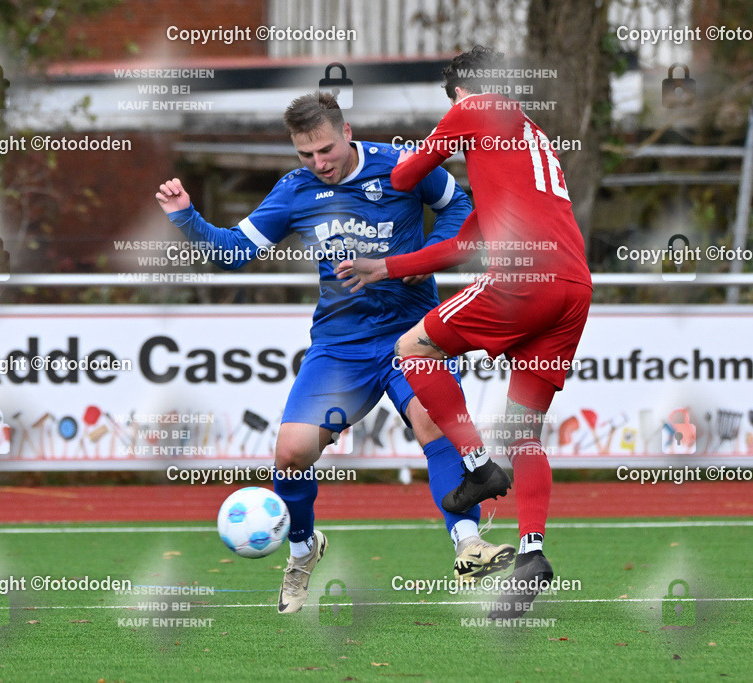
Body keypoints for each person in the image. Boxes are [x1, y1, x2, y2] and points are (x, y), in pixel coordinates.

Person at [155, 92, 514, 614]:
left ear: (347, 132)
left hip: (414, 333)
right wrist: (187, 217)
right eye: (306, 155)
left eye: (325, 149)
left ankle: (468, 545)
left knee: (435, 424)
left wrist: (426, 257)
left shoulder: (403, 166)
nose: (318, 163)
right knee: (291, 453)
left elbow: (459, 205)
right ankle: (302, 550)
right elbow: (235, 253)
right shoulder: (295, 191)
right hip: (342, 345)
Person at [336, 47, 592, 618]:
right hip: (574, 287)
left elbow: (405, 174)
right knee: (524, 430)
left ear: (458, 91)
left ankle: (475, 465)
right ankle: (532, 554)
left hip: (528, 278)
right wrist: (388, 267)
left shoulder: (475, 107)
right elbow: (459, 244)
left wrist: (413, 154)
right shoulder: (528, 139)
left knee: (410, 347)